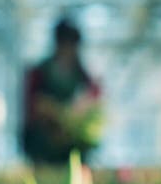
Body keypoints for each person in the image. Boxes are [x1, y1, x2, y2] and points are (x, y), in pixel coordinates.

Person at [22, 18, 102, 164]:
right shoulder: (40, 72)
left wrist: (80, 111)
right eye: (65, 44)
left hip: (74, 146)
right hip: (44, 147)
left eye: (72, 45)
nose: (69, 50)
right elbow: (33, 106)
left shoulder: (82, 74)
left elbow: (95, 96)